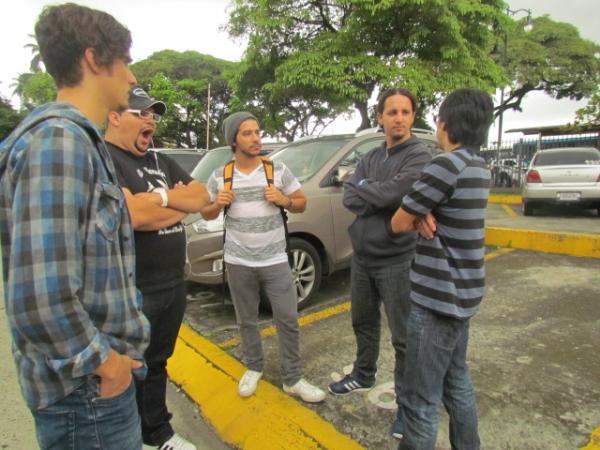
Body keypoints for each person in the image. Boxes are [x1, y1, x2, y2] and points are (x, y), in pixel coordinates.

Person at [0, 4, 150, 449]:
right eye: (124, 61)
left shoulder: (78, 140)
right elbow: (39, 299)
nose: (131, 77)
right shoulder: (60, 141)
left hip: (89, 390)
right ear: (93, 59)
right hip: (85, 394)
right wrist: (107, 365)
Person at [105, 86, 209, 450]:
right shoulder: (106, 159)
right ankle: (127, 437)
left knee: (159, 362)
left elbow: (201, 196)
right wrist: (178, 205)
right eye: (140, 112)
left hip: (172, 283)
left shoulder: (161, 160)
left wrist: (162, 199)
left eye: (153, 113)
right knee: (130, 368)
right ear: (115, 117)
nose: (150, 119)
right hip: (134, 289)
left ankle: (157, 433)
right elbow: (133, 216)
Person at [390, 88, 494, 450]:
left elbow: (398, 223)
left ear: (445, 123)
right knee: (456, 381)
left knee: (420, 401)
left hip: (436, 301)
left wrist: (419, 213)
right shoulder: (479, 167)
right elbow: (433, 213)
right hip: (463, 296)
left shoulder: (445, 164)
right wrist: (425, 213)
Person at [200, 111, 325, 403]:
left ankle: (292, 378)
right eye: (247, 133)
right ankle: (253, 367)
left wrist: (284, 200)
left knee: (288, 318)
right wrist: (216, 204)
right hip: (238, 261)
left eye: (257, 132)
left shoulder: (276, 170)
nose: (256, 138)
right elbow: (205, 212)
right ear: (234, 139)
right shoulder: (222, 175)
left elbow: (301, 203)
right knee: (246, 320)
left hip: (276, 261)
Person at [329, 88, 432, 438]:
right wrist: (376, 191)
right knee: (363, 322)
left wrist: (368, 189)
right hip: (363, 257)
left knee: (404, 338)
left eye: (405, 112)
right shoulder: (371, 156)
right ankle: (363, 373)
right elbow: (349, 195)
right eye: (392, 112)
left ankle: (408, 406)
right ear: (381, 118)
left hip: (398, 259)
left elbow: (396, 194)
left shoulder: (420, 155)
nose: (398, 118)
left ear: (413, 116)